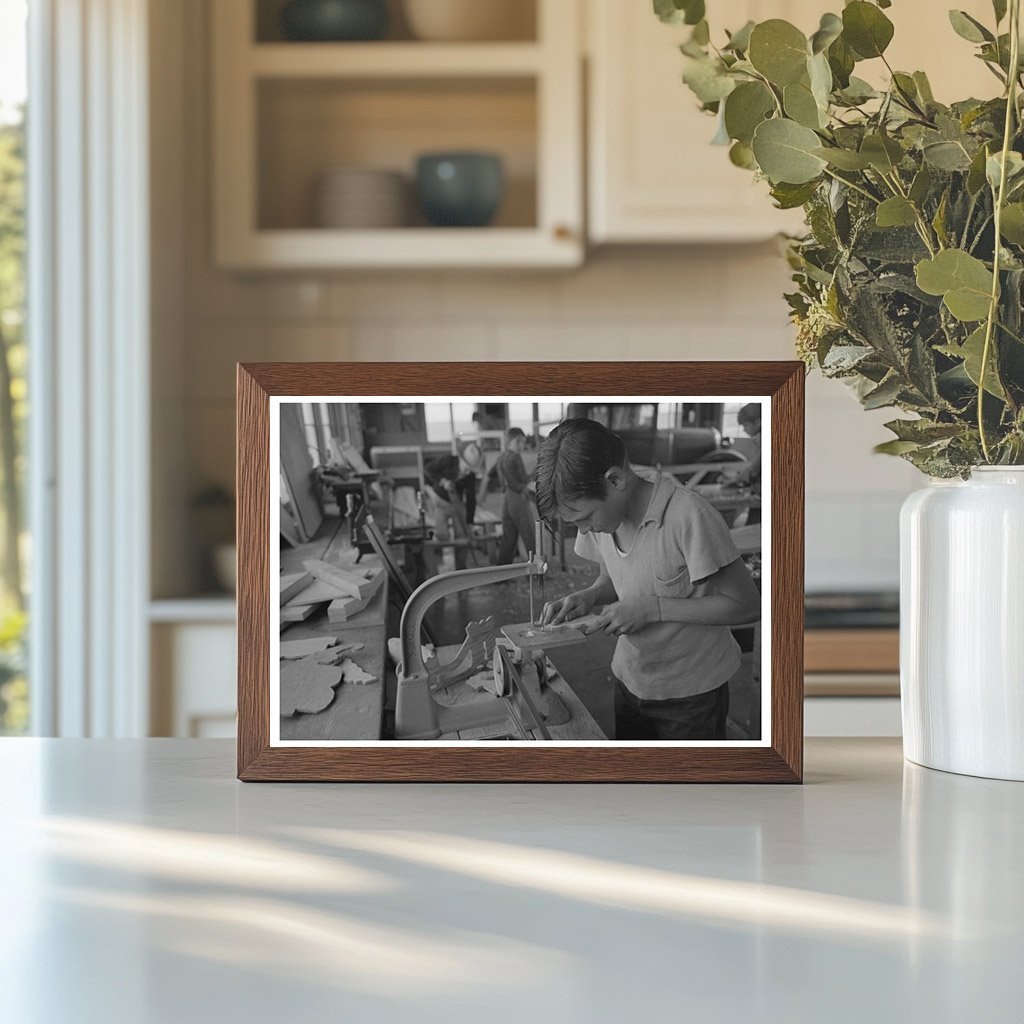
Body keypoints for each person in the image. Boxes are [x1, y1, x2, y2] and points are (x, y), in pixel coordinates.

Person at [535, 418, 761, 741]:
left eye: (584, 518)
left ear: (615, 480)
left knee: (689, 791)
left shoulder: (687, 516)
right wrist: (590, 596)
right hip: (631, 682)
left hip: (691, 696)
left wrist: (653, 609)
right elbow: (615, 577)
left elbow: (748, 606)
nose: (583, 531)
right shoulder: (604, 522)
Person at [495, 427, 537, 564]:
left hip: (507, 498)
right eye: (521, 442)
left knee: (509, 536)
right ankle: (537, 570)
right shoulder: (514, 456)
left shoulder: (501, 456)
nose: (523, 445)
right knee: (528, 534)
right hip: (517, 497)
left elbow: (500, 478)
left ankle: (501, 574)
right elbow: (520, 480)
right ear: (513, 441)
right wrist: (534, 474)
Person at [423, 453, 471, 570]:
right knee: (441, 536)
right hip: (441, 502)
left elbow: (471, 497)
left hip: (457, 503)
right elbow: (428, 469)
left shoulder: (470, 475)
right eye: (465, 469)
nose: (467, 473)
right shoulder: (447, 460)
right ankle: (439, 568)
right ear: (461, 461)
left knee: (461, 537)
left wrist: (470, 520)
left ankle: (461, 570)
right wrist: (442, 481)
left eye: (470, 470)